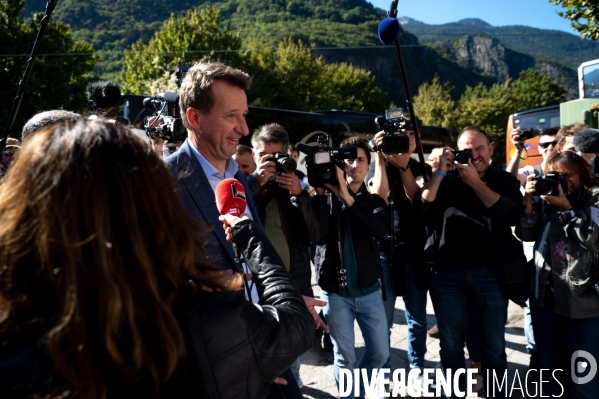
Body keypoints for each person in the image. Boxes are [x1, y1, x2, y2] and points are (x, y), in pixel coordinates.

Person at [0, 119, 315, 399]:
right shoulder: (203, 320)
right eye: (232, 115)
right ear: (152, 208)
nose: (242, 127)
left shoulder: (16, 347)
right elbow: (294, 324)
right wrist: (246, 231)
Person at [165, 61, 325, 397]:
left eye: (245, 115)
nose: (243, 128)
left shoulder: (237, 177)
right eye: (231, 116)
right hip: (217, 368)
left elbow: (250, 259)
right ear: (194, 118)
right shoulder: (163, 184)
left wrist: (288, 300)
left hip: (265, 347)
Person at [415, 126, 524, 397]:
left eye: (479, 148)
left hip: (491, 275)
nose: (474, 155)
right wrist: (440, 172)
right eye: (467, 149)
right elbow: (422, 209)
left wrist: (476, 183)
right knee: (451, 347)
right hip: (447, 277)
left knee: (494, 348)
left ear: (491, 149)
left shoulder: (503, 180)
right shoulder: (447, 179)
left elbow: (511, 216)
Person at [313, 136, 390, 398]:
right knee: (345, 358)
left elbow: (379, 229)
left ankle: (359, 389)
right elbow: (317, 235)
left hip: (368, 291)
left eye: (361, 159)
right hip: (336, 294)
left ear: (368, 165)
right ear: (340, 163)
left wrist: (347, 196)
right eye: (349, 159)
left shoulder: (373, 202)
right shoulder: (325, 198)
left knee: (380, 353)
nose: (354, 164)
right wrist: (323, 193)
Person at [247, 123, 321, 388]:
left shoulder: (295, 188)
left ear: (287, 156)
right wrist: (256, 182)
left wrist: (299, 196)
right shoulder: (242, 185)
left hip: (292, 288)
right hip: (254, 292)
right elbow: (238, 218)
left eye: (275, 156)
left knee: (291, 365)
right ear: (253, 154)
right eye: (263, 156)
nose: (270, 162)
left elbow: (313, 237)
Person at [521, 151, 599, 398]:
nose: (561, 182)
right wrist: (530, 205)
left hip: (583, 303)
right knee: (552, 376)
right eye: (554, 175)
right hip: (545, 301)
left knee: (583, 379)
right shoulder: (548, 197)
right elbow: (526, 234)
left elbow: (595, 239)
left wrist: (566, 209)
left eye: (567, 176)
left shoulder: (594, 198)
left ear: (582, 174)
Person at [368, 122, 432, 390]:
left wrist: (405, 166)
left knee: (417, 318)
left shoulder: (421, 168)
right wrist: (378, 157)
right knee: (383, 319)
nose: (404, 140)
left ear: (417, 140)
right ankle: (384, 371)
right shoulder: (379, 165)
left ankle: (417, 367)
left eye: (410, 135)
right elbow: (377, 197)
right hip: (384, 250)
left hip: (414, 250)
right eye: (399, 136)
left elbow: (419, 201)